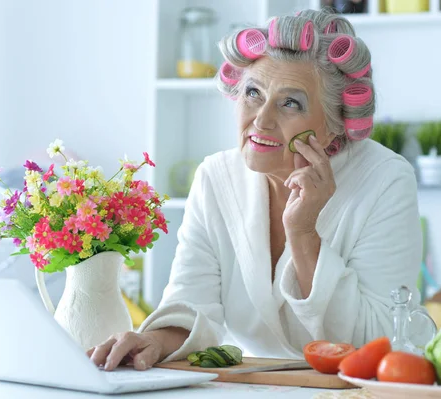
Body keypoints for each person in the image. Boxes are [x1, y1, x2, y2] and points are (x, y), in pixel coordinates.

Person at [87, 8, 423, 371]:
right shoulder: (216, 177)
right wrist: (152, 340)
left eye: (290, 103)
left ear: (335, 125)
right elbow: (191, 303)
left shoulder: (384, 179)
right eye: (253, 93)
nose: (261, 120)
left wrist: (304, 233)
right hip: (254, 386)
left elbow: (377, 341)